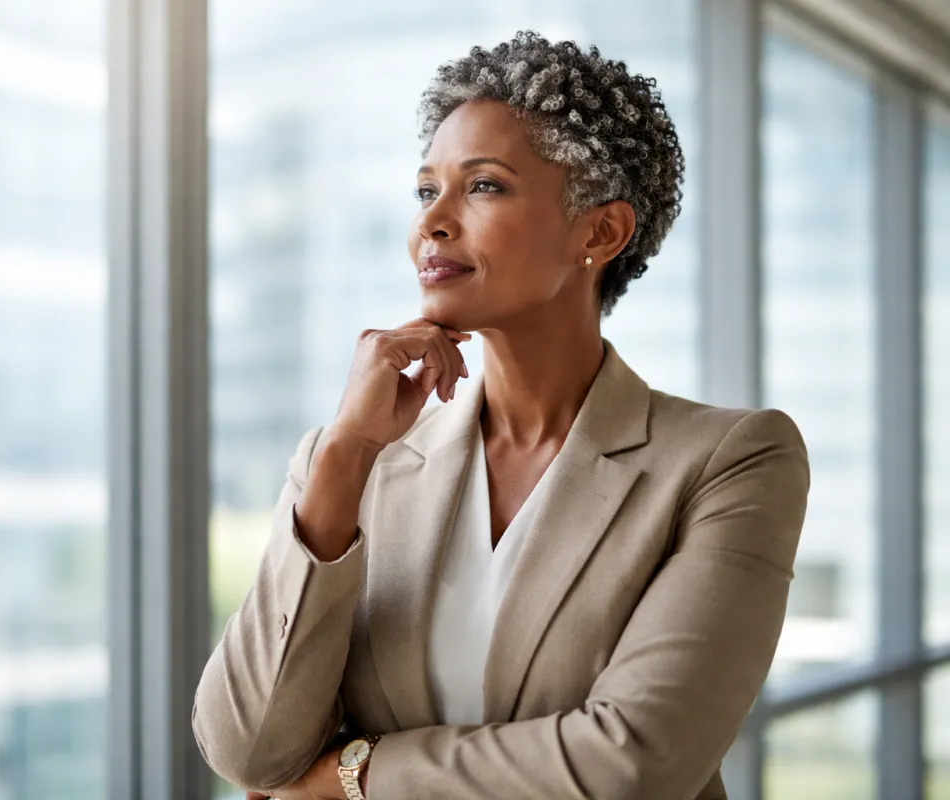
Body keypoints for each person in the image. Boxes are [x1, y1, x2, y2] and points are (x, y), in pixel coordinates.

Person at [193, 32, 809, 800]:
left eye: (482, 186)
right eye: (426, 192)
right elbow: (248, 750)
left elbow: (635, 764)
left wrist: (350, 776)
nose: (433, 224)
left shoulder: (729, 460)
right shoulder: (349, 459)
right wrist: (347, 454)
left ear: (601, 232)